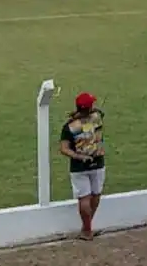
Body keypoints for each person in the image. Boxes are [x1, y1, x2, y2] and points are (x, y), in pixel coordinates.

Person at [59, 93, 105, 241]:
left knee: (84, 198)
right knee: (95, 194)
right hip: (97, 161)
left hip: (80, 165)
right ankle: (87, 228)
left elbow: (64, 148)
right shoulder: (96, 118)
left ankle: (87, 230)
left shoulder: (69, 126)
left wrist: (79, 156)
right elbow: (98, 132)